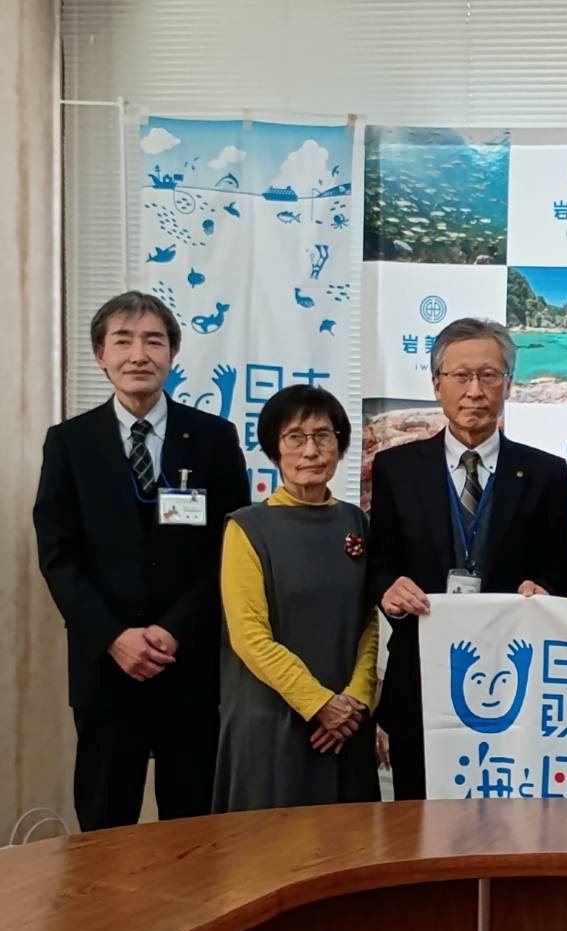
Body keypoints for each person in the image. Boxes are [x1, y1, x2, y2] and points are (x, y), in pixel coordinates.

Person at [33, 290, 249, 829]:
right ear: (100, 355)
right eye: (123, 341)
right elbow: (58, 556)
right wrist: (114, 636)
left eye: (153, 341)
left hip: (189, 663)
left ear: (172, 354)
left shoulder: (214, 439)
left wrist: (174, 630)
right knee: (104, 825)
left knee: (193, 827)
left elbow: (230, 550)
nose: (138, 355)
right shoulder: (69, 443)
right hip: (106, 667)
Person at [369, 317, 567, 800]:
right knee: (417, 818)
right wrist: (388, 589)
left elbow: (557, 568)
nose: (475, 390)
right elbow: (380, 561)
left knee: (509, 815)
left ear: (509, 384)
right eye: (461, 376)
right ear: (436, 383)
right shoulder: (396, 468)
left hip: (515, 677)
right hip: (420, 675)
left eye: (489, 375)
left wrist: (543, 590)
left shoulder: (546, 472)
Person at [213, 385, 379, 811]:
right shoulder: (247, 528)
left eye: (323, 436)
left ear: (340, 446)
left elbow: (370, 621)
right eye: (295, 438)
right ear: (274, 449)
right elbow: (249, 635)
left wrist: (355, 701)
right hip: (272, 722)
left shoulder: (357, 522)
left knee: (352, 844)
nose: (311, 451)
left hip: (346, 726)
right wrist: (319, 703)